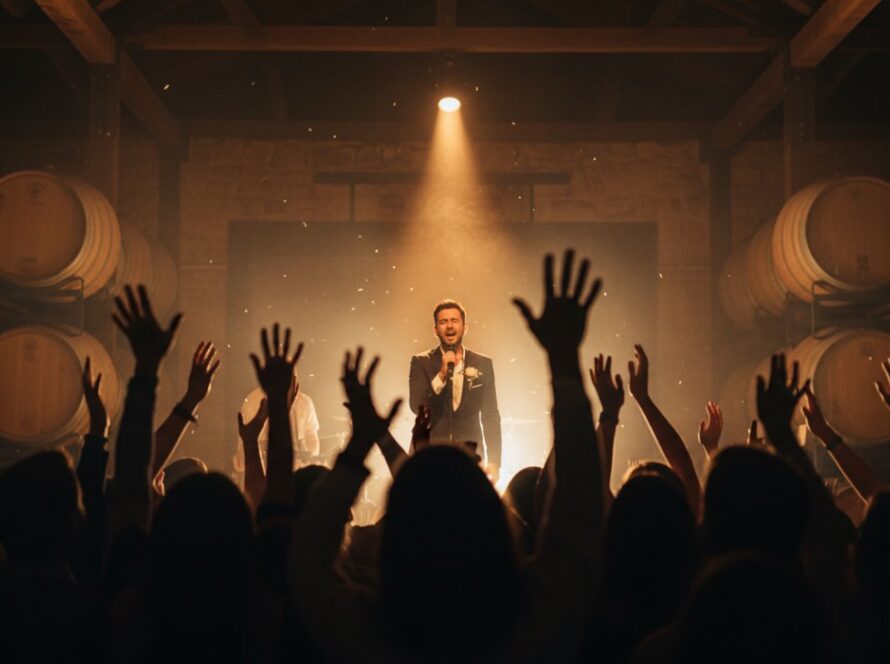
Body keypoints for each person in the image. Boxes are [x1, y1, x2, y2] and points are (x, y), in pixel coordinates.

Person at [409, 299, 503, 481]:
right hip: (430, 454)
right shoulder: (421, 362)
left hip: (471, 455)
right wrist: (442, 375)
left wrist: (495, 461)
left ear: (465, 327)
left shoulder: (483, 363)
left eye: (454, 321)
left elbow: (490, 414)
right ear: (435, 330)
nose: (449, 327)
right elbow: (417, 406)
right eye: (443, 322)